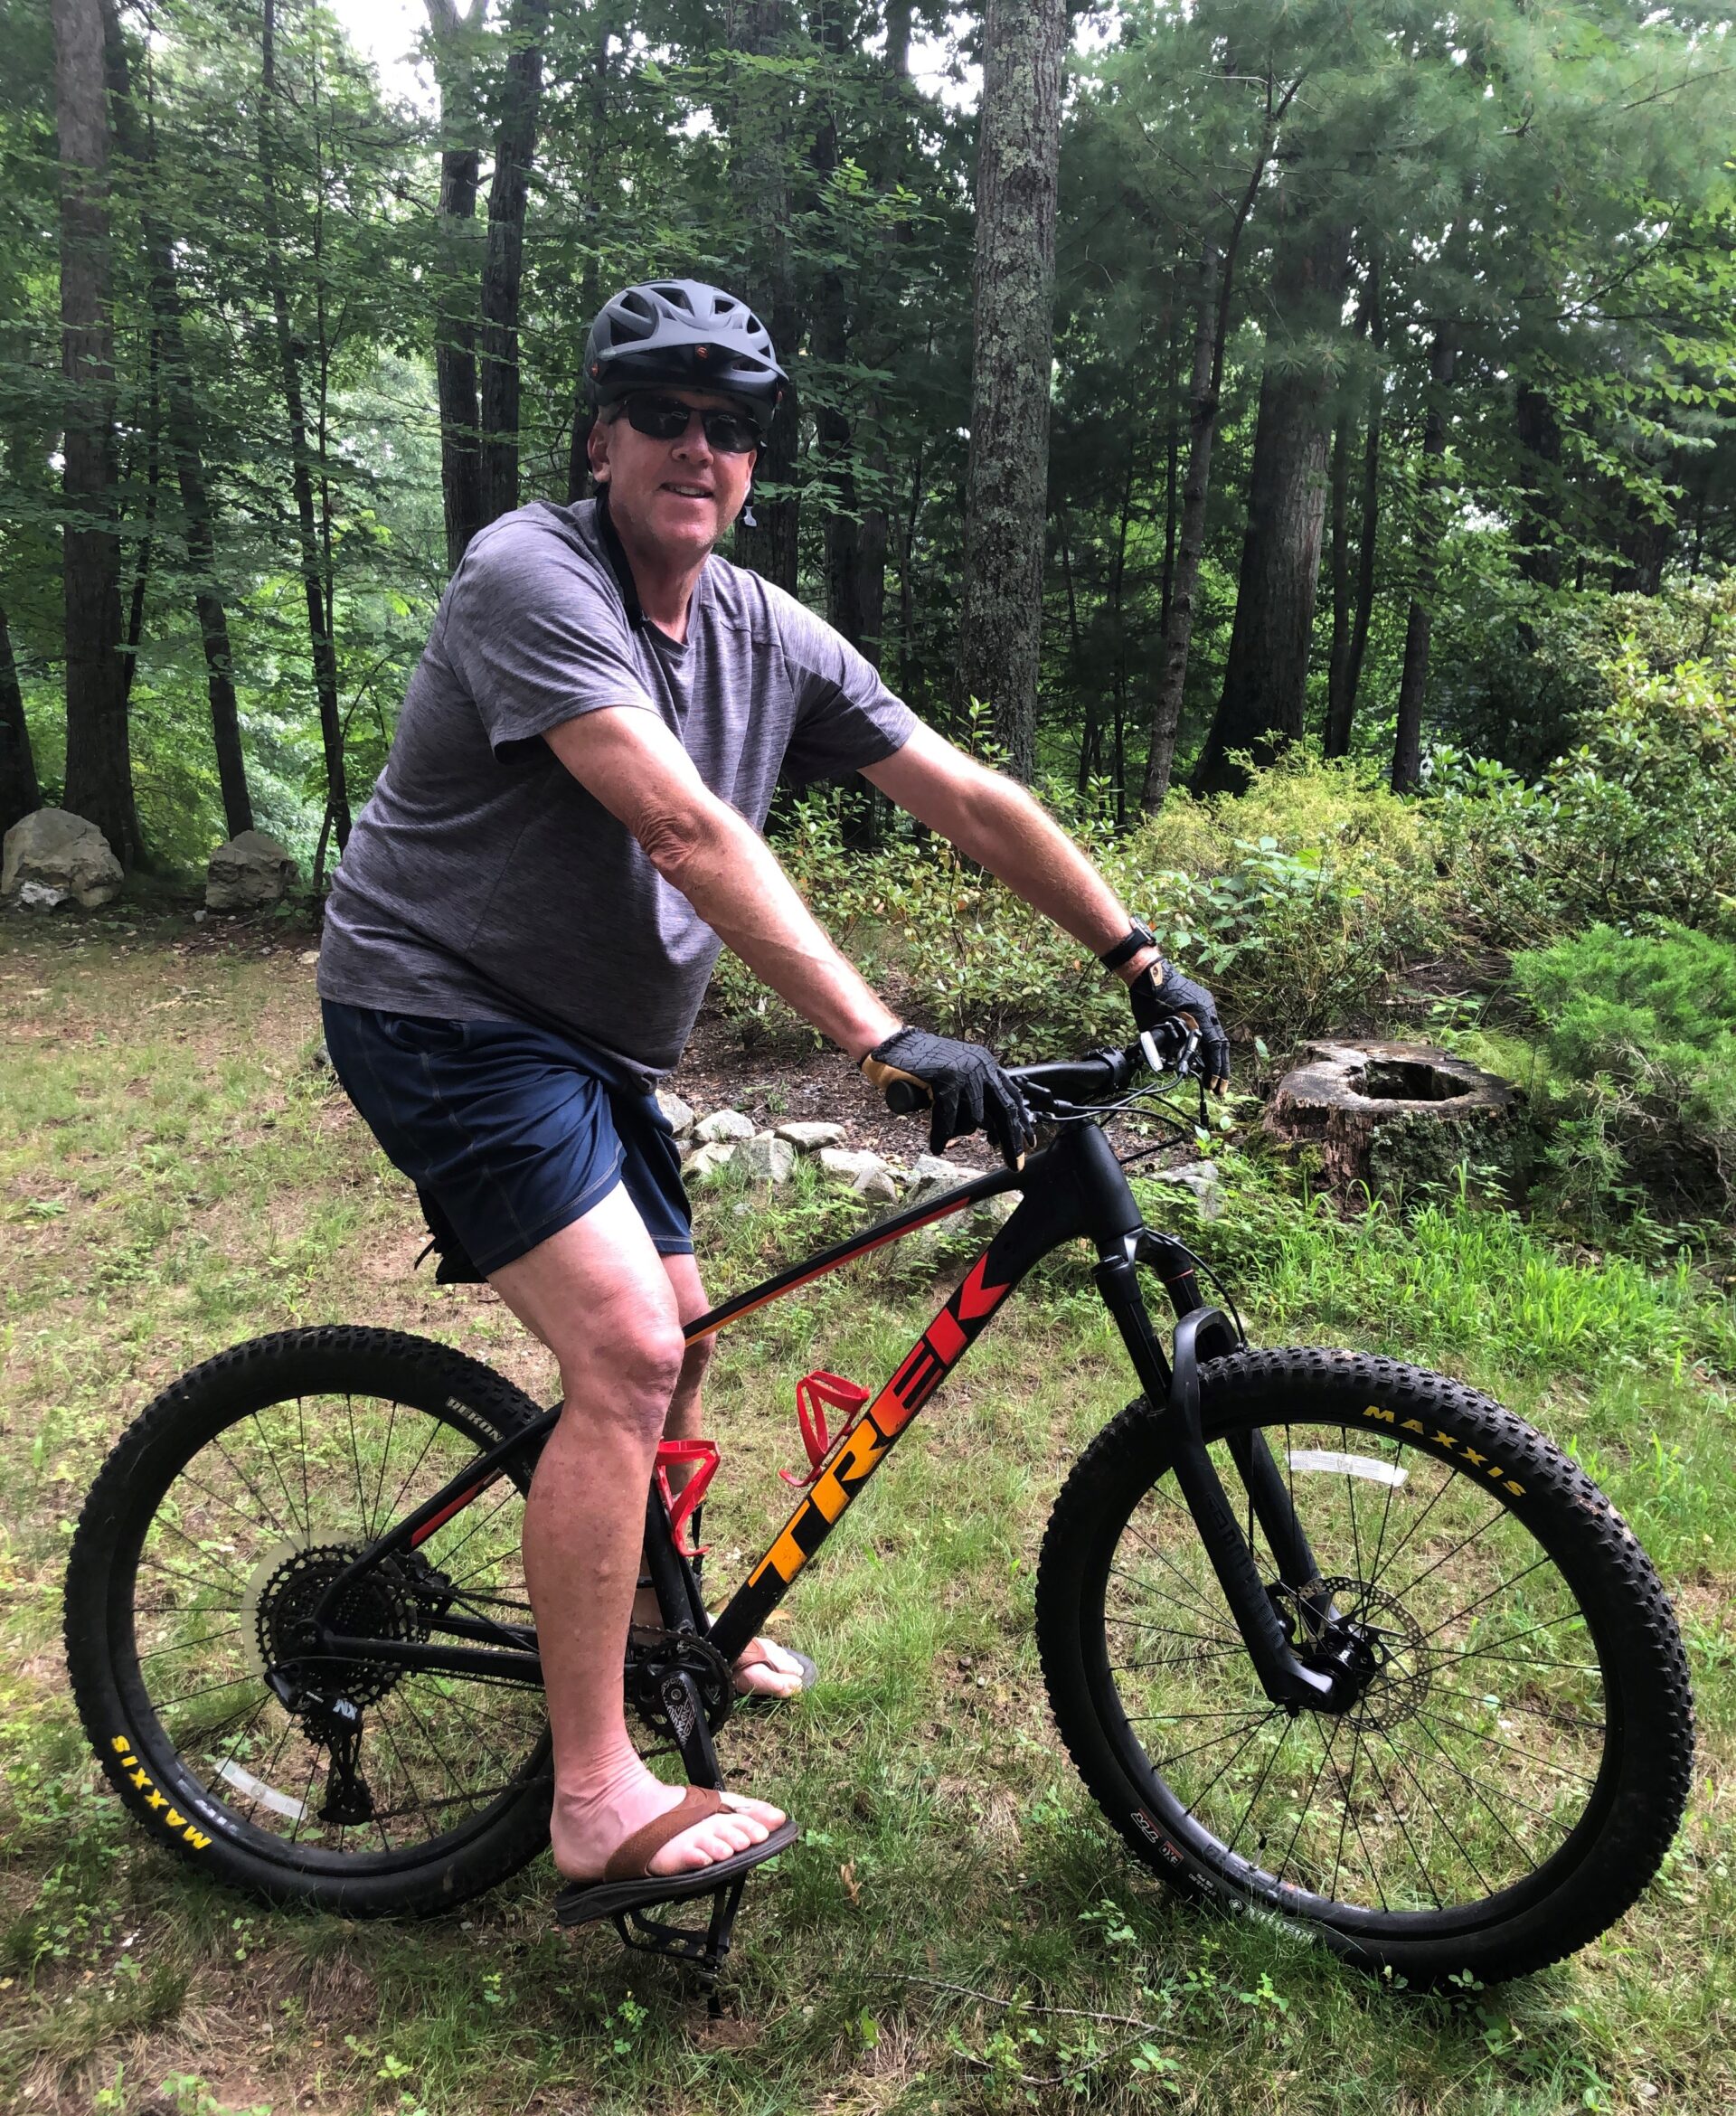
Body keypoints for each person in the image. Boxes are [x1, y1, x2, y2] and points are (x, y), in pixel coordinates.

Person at [316, 278, 1229, 1910]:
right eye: (665, 415)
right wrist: (882, 1035)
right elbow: (681, 828)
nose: (700, 449)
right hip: (440, 1006)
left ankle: (666, 1626)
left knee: (692, 1326)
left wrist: (1136, 954)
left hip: (592, 1039)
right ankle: (594, 1793)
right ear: (601, 435)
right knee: (626, 1351)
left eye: (732, 430)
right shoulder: (534, 574)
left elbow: (958, 788)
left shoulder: (756, 624)